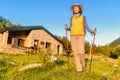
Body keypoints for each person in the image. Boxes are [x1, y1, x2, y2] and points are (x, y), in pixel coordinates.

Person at [65, 3, 96, 75]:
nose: (75, 9)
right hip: (72, 36)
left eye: (77, 7)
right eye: (74, 8)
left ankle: (83, 64)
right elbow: (71, 27)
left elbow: (86, 26)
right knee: (75, 53)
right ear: (73, 10)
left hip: (81, 35)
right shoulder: (71, 18)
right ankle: (79, 69)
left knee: (81, 52)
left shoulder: (83, 17)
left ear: (79, 9)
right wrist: (67, 28)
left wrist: (92, 31)